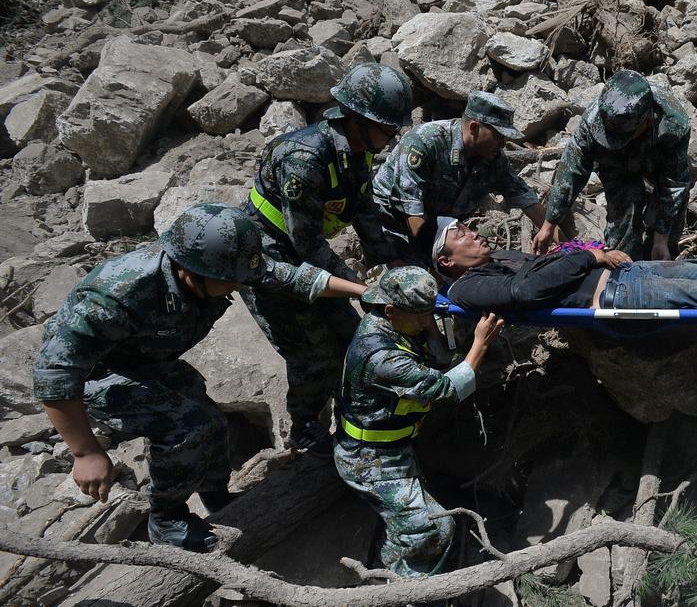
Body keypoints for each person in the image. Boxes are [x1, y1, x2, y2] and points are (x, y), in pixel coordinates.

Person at [32, 204, 365, 552]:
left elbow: (290, 278)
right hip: (95, 374)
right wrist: (85, 452)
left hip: (143, 359)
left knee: (212, 419)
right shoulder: (119, 293)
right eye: (230, 280)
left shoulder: (221, 266)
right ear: (189, 271)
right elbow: (55, 372)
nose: (239, 285)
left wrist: (362, 291)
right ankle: (165, 518)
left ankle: (216, 496)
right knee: (187, 426)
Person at [243, 62, 412, 455]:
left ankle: (351, 418)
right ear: (356, 118)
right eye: (386, 129)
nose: (389, 139)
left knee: (352, 338)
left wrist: (392, 266)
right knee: (312, 352)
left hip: (305, 252)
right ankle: (303, 427)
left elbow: (365, 211)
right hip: (269, 262)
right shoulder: (304, 158)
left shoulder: (359, 150)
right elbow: (309, 246)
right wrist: (362, 287)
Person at [335, 266, 504, 576]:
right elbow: (447, 388)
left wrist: (432, 327)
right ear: (390, 310)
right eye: (421, 316)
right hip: (370, 460)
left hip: (394, 447)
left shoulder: (393, 326)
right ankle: (404, 588)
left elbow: (438, 359)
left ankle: (392, 559)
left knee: (418, 528)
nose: (428, 322)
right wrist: (481, 343)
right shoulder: (381, 358)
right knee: (434, 531)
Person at [432, 217, 697, 314]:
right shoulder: (466, 288)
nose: (475, 234)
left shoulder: (496, 258)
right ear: (446, 261)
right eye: (462, 235)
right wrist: (589, 256)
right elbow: (527, 290)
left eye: (469, 228)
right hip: (614, 293)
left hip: (626, 272)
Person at [532, 69, 691, 260]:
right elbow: (572, 171)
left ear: (647, 122)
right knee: (625, 209)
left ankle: (661, 264)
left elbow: (673, 184)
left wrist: (660, 239)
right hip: (615, 162)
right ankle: (624, 270)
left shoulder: (674, 124)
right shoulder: (592, 123)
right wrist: (549, 224)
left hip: (656, 157)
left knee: (671, 220)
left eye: (622, 136)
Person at [373, 91, 547, 265]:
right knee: (420, 281)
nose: (503, 144)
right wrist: (434, 265)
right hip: (392, 224)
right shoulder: (425, 142)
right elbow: (411, 212)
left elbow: (526, 200)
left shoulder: (493, 158)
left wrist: (560, 239)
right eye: (498, 136)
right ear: (474, 128)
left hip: (440, 232)